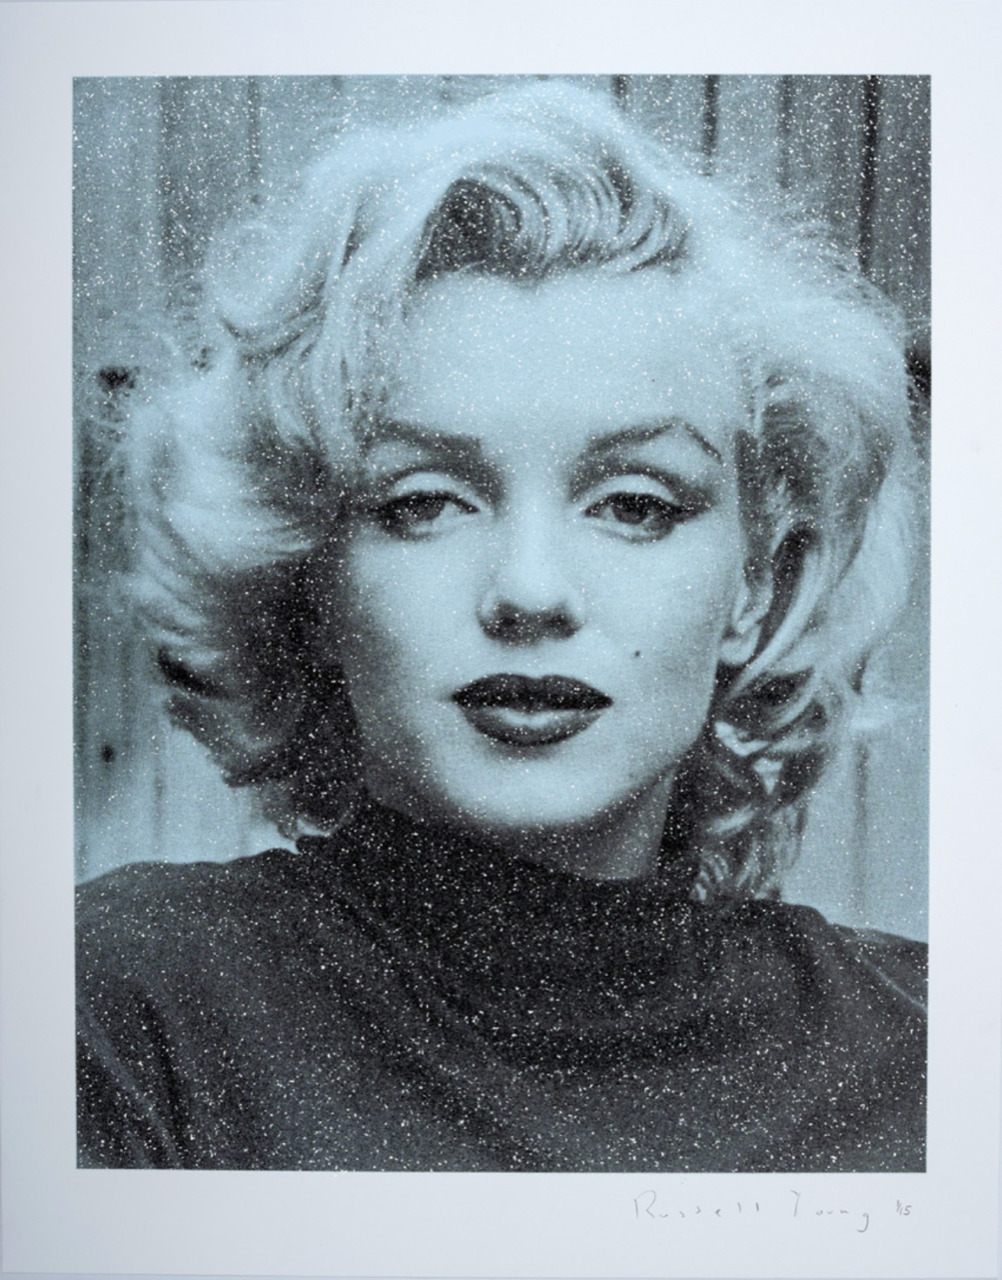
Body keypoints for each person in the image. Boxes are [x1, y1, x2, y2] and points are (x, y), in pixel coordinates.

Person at [76, 81, 926, 1172]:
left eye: (635, 503)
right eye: (424, 501)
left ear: (757, 583)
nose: (530, 590)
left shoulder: (929, 1049)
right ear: (314, 577)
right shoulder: (123, 1007)